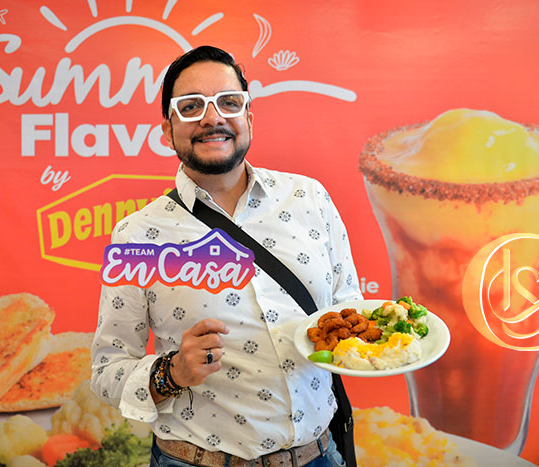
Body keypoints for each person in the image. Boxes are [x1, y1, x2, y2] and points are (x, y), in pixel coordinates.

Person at [91, 45, 362, 467]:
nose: (212, 118)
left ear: (249, 117)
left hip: (319, 456)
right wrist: (172, 373)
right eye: (191, 106)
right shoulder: (137, 236)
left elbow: (350, 309)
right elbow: (107, 371)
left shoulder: (309, 198)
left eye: (229, 102)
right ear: (167, 131)